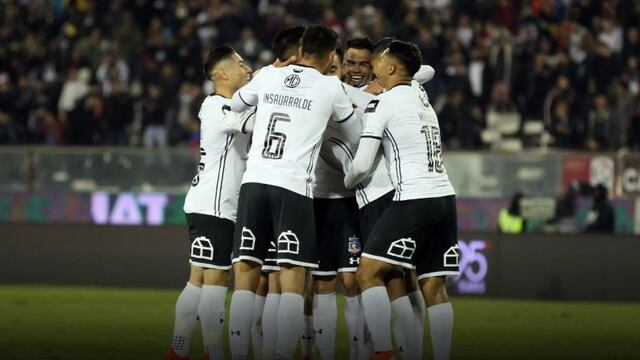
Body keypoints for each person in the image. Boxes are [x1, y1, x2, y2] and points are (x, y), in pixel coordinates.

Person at [228, 24, 355, 360]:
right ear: (331, 57)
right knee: (292, 275)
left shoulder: (269, 75)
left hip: (254, 183)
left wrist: (270, 72)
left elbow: (237, 102)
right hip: (293, 188)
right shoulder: (331, 87)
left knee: (247, 273)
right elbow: (354, 132)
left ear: (299, 49)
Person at [345, 40, 459, 360]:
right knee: (434, 288)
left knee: (367, 272)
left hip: (414, 198)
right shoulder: (421, 97)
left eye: (376, 63)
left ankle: (383, 352)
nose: (371, 68)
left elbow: (362, 165)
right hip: (445, 198)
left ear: (390, 68)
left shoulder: (387, 104)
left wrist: (348, 181)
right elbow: (423, 71)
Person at [165, 46, 254, 360]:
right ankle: (212, 351)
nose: (248, 69)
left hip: (211, 204)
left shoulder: (227, 105)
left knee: (200, 279)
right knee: (215, 278)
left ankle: (178, 350)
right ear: (223, 74)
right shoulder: (217, 106)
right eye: (241, 64)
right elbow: (254, 124)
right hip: (214, 207)